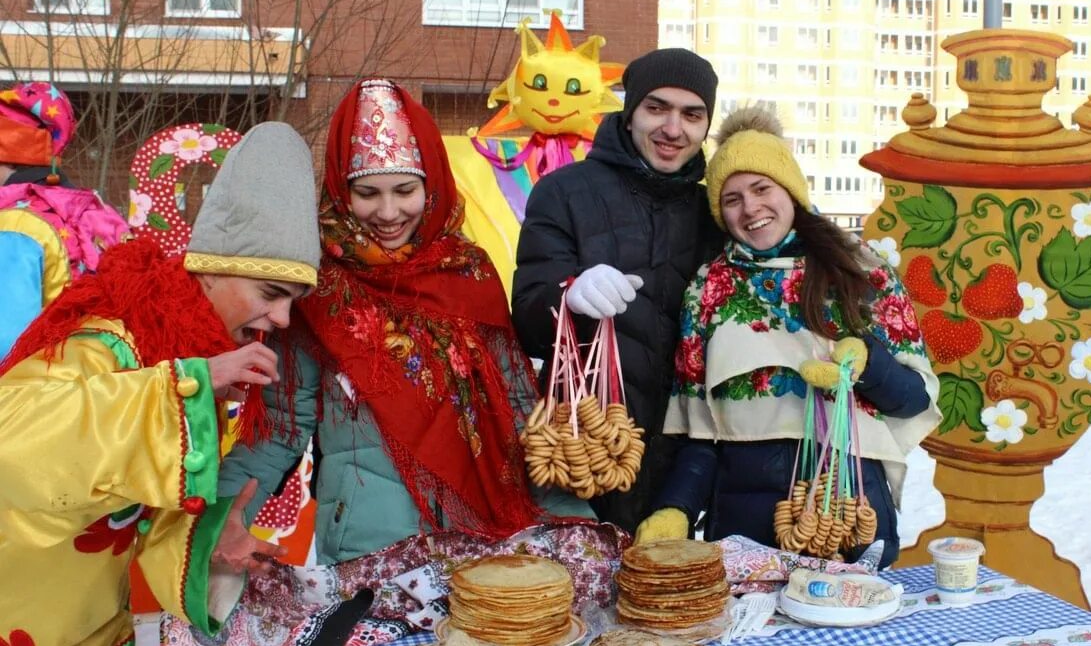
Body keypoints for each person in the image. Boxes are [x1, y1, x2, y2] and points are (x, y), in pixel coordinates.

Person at [0, 121, 321, 646]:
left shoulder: (201, 362)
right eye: (272, 294)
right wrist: (188, 389)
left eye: (294, 301)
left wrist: (216, 545)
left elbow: (142, 506)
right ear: (209, 272)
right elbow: (15, 440)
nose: (284, 320)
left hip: (91, 645)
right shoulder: (111, 339)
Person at [219, 79, 589, 566]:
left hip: (485, 539)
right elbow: (281, 425)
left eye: (405, 191)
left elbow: (518, 411)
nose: (388, 213)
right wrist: (216, 517)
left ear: (431, 185)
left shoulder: (470, 272)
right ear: (340, 190)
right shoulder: (319, 289)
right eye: (367, 193)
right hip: (370, 549)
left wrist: (568, 518)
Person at [634, 107, 942, 566]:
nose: (750, 208)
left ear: (791, 191)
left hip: (847, 509)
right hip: (742, 524)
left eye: (762, 189)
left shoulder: (860, 271)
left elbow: (915, 400)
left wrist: (867, 365)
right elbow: (700, 431)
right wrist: (675, 509)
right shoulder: (710, 288)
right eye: (732, 199)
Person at [512, 48, 724, 532]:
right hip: (579, 450)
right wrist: (569, 297)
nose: (673, 129)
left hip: (678, 468)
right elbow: (526, 317)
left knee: (662, 603)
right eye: (657, 108)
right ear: (629, 113)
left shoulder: (712, 213)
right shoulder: (564, 192)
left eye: (692, 115)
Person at [0, 80, 129, 357]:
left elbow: (5, 342)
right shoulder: (99, 214)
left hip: (33, 391)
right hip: (108, 386)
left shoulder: (13, 225)